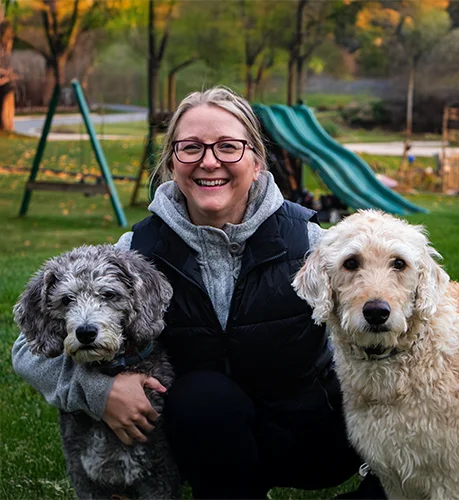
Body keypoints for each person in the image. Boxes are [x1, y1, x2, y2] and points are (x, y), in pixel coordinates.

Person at [12, 86, 385, 499]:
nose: (210, 161)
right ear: (172, 161)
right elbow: (28, 348)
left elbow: (397, 322)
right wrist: (100, 393)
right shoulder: (137, 252)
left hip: (316, 435)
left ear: (257, 160)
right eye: (190, 147)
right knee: (202, 395)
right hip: (208, 439)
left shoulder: (316, 244)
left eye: (228, 146)